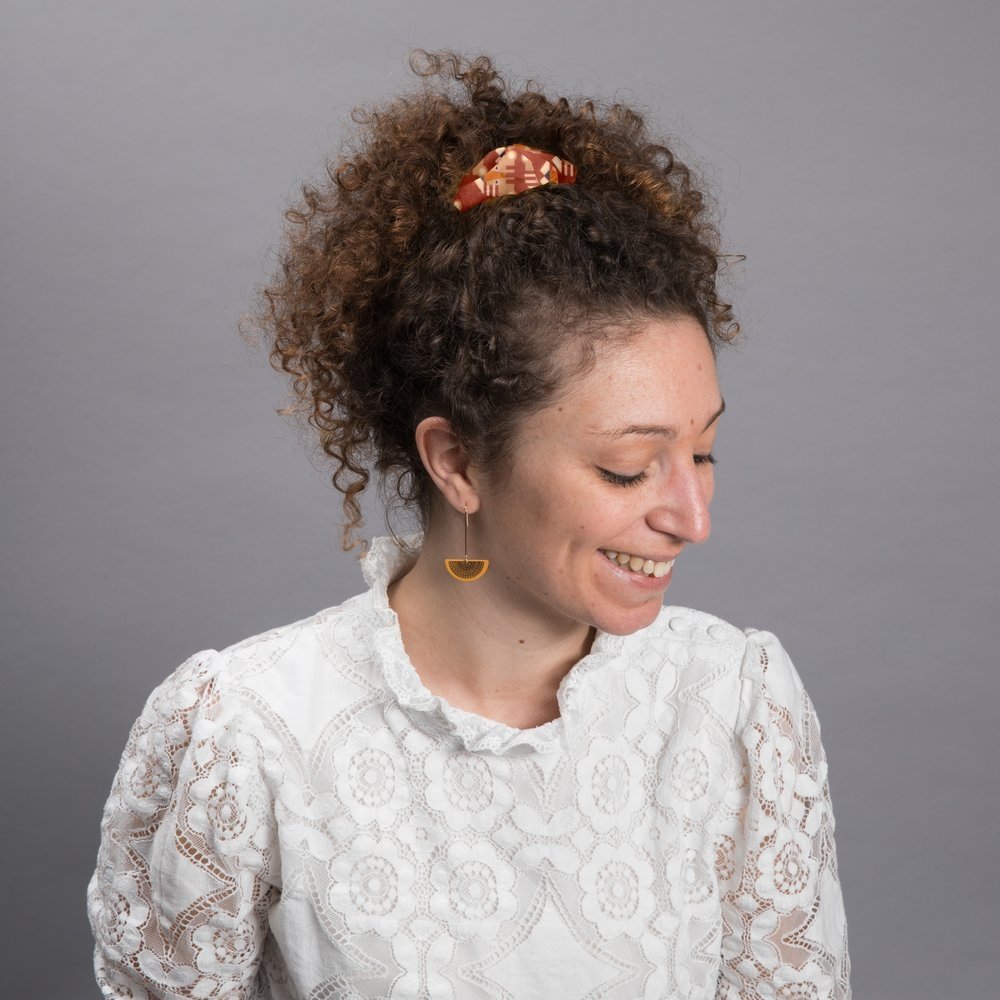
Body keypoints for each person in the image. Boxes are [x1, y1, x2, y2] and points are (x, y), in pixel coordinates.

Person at [87, 51, 851, 999]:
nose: (692, 519)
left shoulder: (736, 705)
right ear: (456, 461)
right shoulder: (245, 731)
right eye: (626, 467)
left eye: (704, 453)